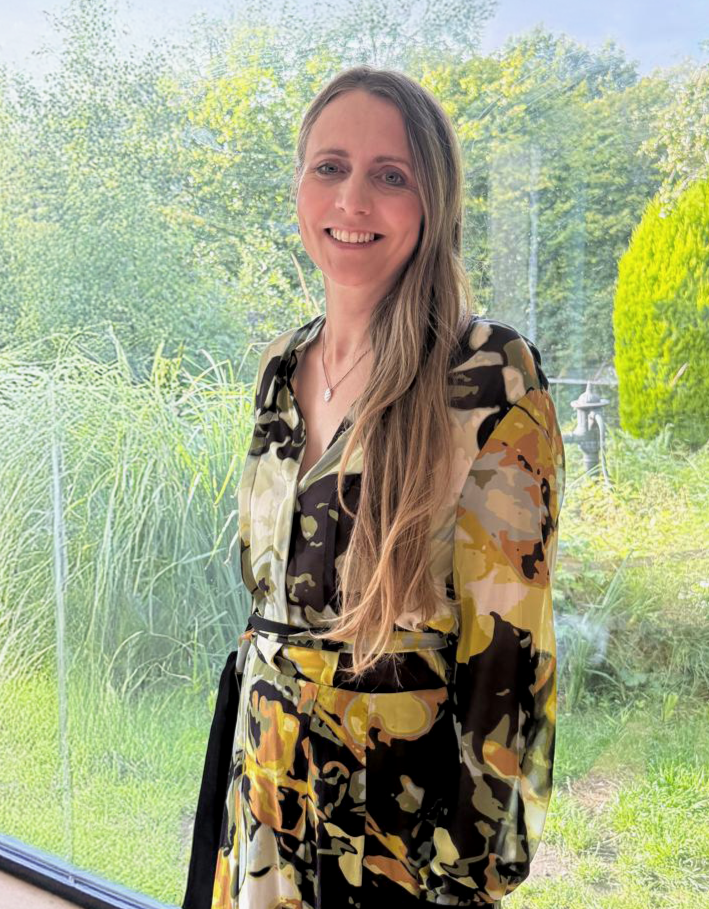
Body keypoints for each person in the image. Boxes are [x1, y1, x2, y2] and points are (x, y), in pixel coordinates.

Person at [183, 64, 566, 909]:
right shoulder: (282, 365)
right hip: (267, 793)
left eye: (389, 175)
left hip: (398, 826)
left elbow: (510, 655)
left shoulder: (486, 373)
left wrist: (465, 873)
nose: (351, 200)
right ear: (299, 188)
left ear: (432, 202)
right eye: (330, 167)